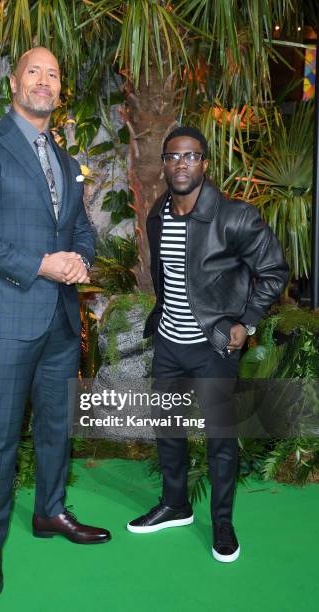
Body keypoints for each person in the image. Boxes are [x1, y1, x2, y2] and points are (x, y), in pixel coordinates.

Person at [0, 47, 110, 600]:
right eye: (34, 71)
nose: (44, 81)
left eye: (54, 74)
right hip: (10, 316)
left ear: (59, 91)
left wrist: (80, 259)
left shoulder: (66, 162)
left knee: (56, 428)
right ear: (14, 82)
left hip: (62, 320)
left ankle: (50, 513)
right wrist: (42, 264)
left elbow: (80, 227)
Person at [126, 126, 288, 562]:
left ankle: (222, 522)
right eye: (174, 157)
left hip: (213, 346)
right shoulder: (157, 214)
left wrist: (247, 322)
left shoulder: (234, 217)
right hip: (169, 344)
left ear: (206, 164)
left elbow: (273, 270)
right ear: (163, 164)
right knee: (169, 430)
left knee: (219, 438)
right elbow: (167, 277)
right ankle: (175, 504)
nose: (182, 164)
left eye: (191, 156)